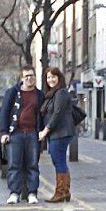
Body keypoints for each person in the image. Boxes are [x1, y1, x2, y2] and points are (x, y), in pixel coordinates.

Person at [0, 65, 44, 205]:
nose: (29, 78)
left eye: (31, 75)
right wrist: (4, 132)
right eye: (26, 76)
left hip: (32, 133)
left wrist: (42, 131)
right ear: (22, 78)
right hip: (15, 133)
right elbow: (4, 112)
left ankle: (32, 193)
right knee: (14, 164)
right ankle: (14, 193)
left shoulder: (39, 94)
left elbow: (42, 115)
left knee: (32, 164)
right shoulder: (12, 92)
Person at [39, 67, 76, 203]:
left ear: (59, 78)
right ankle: (65, 192)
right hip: (57, 133)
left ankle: (61, 192)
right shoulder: (52, 94)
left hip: (60, 133)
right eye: (48, 77)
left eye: (53, 77)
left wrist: (45, 131)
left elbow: (57, 113)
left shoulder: (61, 93)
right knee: (58, 161)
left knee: (58, 161)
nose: (51, 80)